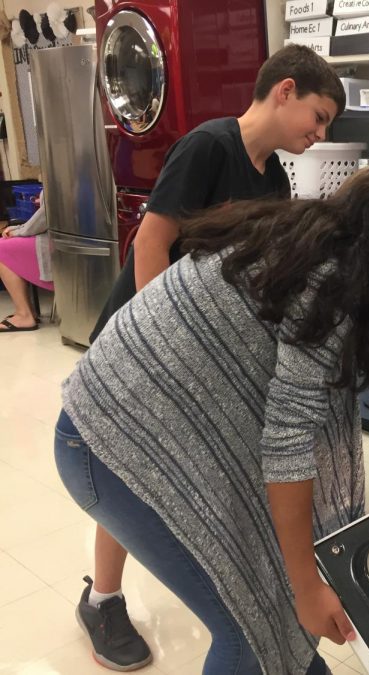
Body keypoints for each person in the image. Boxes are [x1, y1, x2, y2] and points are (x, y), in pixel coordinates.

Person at [55, 167, 369, 674]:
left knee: (277, 609)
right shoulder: (331, 288)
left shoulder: (311, 237)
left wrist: (303, 585)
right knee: (251, 630)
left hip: (140, 427)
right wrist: (308, 587)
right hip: (104, 446)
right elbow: (287, 445)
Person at [77, 44, 347, 671]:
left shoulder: (272, 177)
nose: (320, 132)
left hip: (196, 354)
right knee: (130, 464)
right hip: (143, 344)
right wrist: (159, 351)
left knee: (166, 471)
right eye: (320, 115)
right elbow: (151, 242)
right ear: (284, 90)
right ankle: (104, 599)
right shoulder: (208, 146)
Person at [0, 193, 51, 332]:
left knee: (1, 249)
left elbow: (46, 216)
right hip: (64, 238)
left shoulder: (60, 175)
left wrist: (19, 230)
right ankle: (28, 312)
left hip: (54, 243)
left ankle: (24, 314)